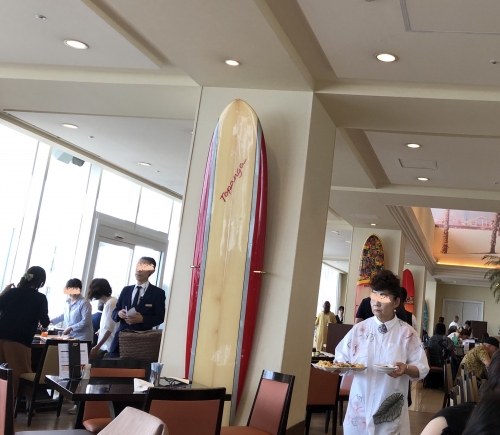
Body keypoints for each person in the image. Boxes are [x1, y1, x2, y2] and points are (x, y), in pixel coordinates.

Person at [335, 270, 429, 435]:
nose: (376, 302)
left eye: (383, 297)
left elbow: (422, 368)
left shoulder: (406, 333)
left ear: (396, 302)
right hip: (359, 411)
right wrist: (338, 367)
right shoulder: (359, 330)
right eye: (374, 295)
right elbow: (342, 359)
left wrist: (406, 369)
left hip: (389, 413)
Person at [420, 350, 500, 435]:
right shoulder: (481, 350)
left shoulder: (448, 419)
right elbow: (488, 363)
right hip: (465, 379)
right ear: (490, 346)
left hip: (464, 378)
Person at [0, 267, 50, 394]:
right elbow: (44, 321)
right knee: (19, 376)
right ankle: (13, 403)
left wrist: (4, 292)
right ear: (40, 281)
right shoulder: (40, 298)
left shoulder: (11, 292)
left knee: (2, 375)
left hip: (1, 336)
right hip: (20, 341)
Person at [110, 257, 166, 357]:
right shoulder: (126, 290)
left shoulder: (157, 293)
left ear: (152, 271)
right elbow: (115, 312)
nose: (139, 270)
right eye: (137, 266)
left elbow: (160, 317)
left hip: (141, 344)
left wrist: (143, 319)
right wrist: (119, 313)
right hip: (120, 342)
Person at [51, 278, 93, 342]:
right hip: (70, 337)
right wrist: (51, 321)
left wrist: (71, 328)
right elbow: (64, 315)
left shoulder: (84, 303)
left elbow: (86, 321)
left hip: (82, 338)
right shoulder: (68, 302)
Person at [87, 279, 117, 360]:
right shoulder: (108, 303)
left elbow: (109, 328)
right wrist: (101, 330)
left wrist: (96, 347)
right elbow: (110, 324)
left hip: (108, 347)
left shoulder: (111, 303)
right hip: (105, 346)